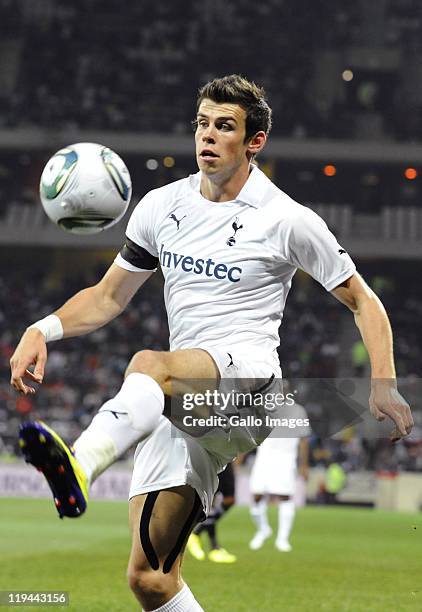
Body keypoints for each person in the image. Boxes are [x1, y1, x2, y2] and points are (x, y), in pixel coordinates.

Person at [10, 74, 413, 612]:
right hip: (185, 403)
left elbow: (365, 300)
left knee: (149, 363)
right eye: (202, 123)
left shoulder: (286, 219)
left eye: (225, 126)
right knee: (150, 579)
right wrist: (44, 328)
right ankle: (90, 470)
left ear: (254, 142)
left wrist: (382, 383)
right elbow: (108, 298)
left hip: (249, 384)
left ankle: (80, 465)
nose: (208, 135)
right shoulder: (161, 207)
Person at [249, 400, 310, 552]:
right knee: (256, 495)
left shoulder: (298, 410)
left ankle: (282, 539)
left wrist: (304, 465)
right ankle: (263, 529)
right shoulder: (263, 408)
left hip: (286, 458)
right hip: (264, 456)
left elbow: (304, 439)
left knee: (284, 497)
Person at [187, 463, 237, 563]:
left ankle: (204, 541)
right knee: (216, 500)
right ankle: (213, 547)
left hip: (228, 458)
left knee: (226, 501)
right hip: (219, 458)